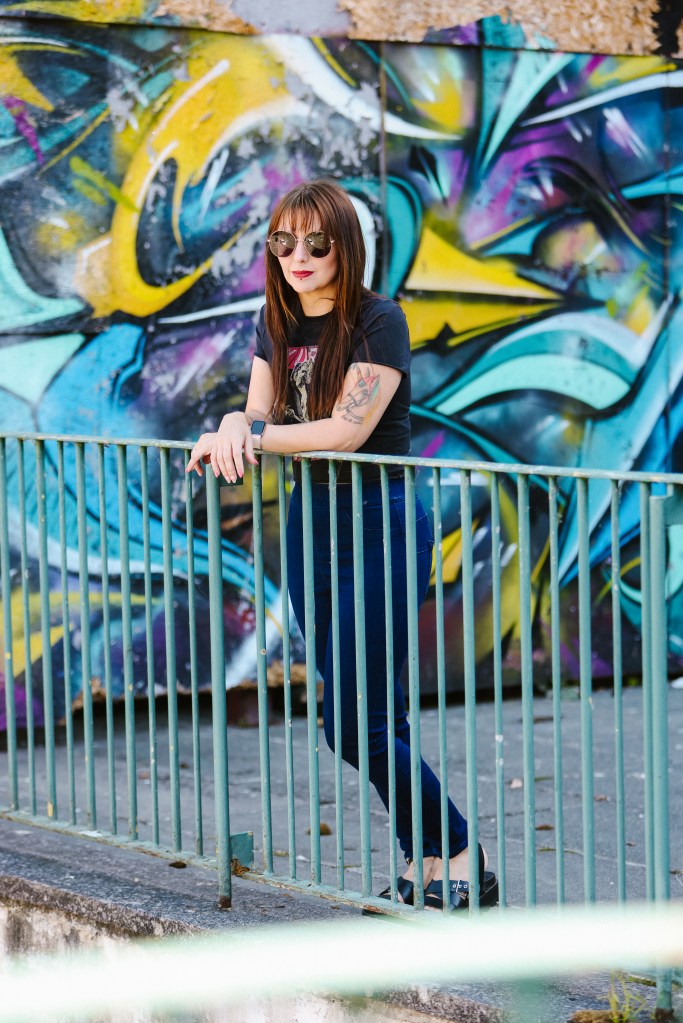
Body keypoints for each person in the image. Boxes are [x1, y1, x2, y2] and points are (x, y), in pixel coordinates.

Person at [186, 179, 498, 912]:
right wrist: (238, 424)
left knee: (353, 719)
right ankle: (426, 856)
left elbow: (345, 432)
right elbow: (259, 410)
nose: (298, 256)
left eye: (315, 242)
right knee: (357, 720)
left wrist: (249, 434)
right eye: (283, 242)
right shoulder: (276, 321)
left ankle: (456, 850)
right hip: (311, 523)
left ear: (343, 244)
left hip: (379, 520)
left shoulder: (377, 321)